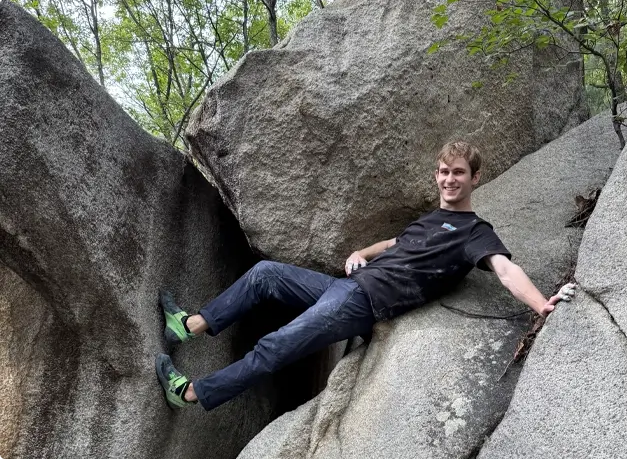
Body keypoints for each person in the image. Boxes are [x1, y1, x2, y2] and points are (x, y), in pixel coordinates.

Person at [155, 141, 576, 410]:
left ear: (474, 178)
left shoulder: (474, 232)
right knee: (266, 273)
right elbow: (395, 244)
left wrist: (541, 303)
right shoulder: (430, 220)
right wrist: (361, 250)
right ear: (436, 175)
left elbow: (504, 269)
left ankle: (190, 393)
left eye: (459, 172)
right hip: (345, 286)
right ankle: (189, 325)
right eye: (444, 172)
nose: (450, 179)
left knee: (276, 345)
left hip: (363, 303)